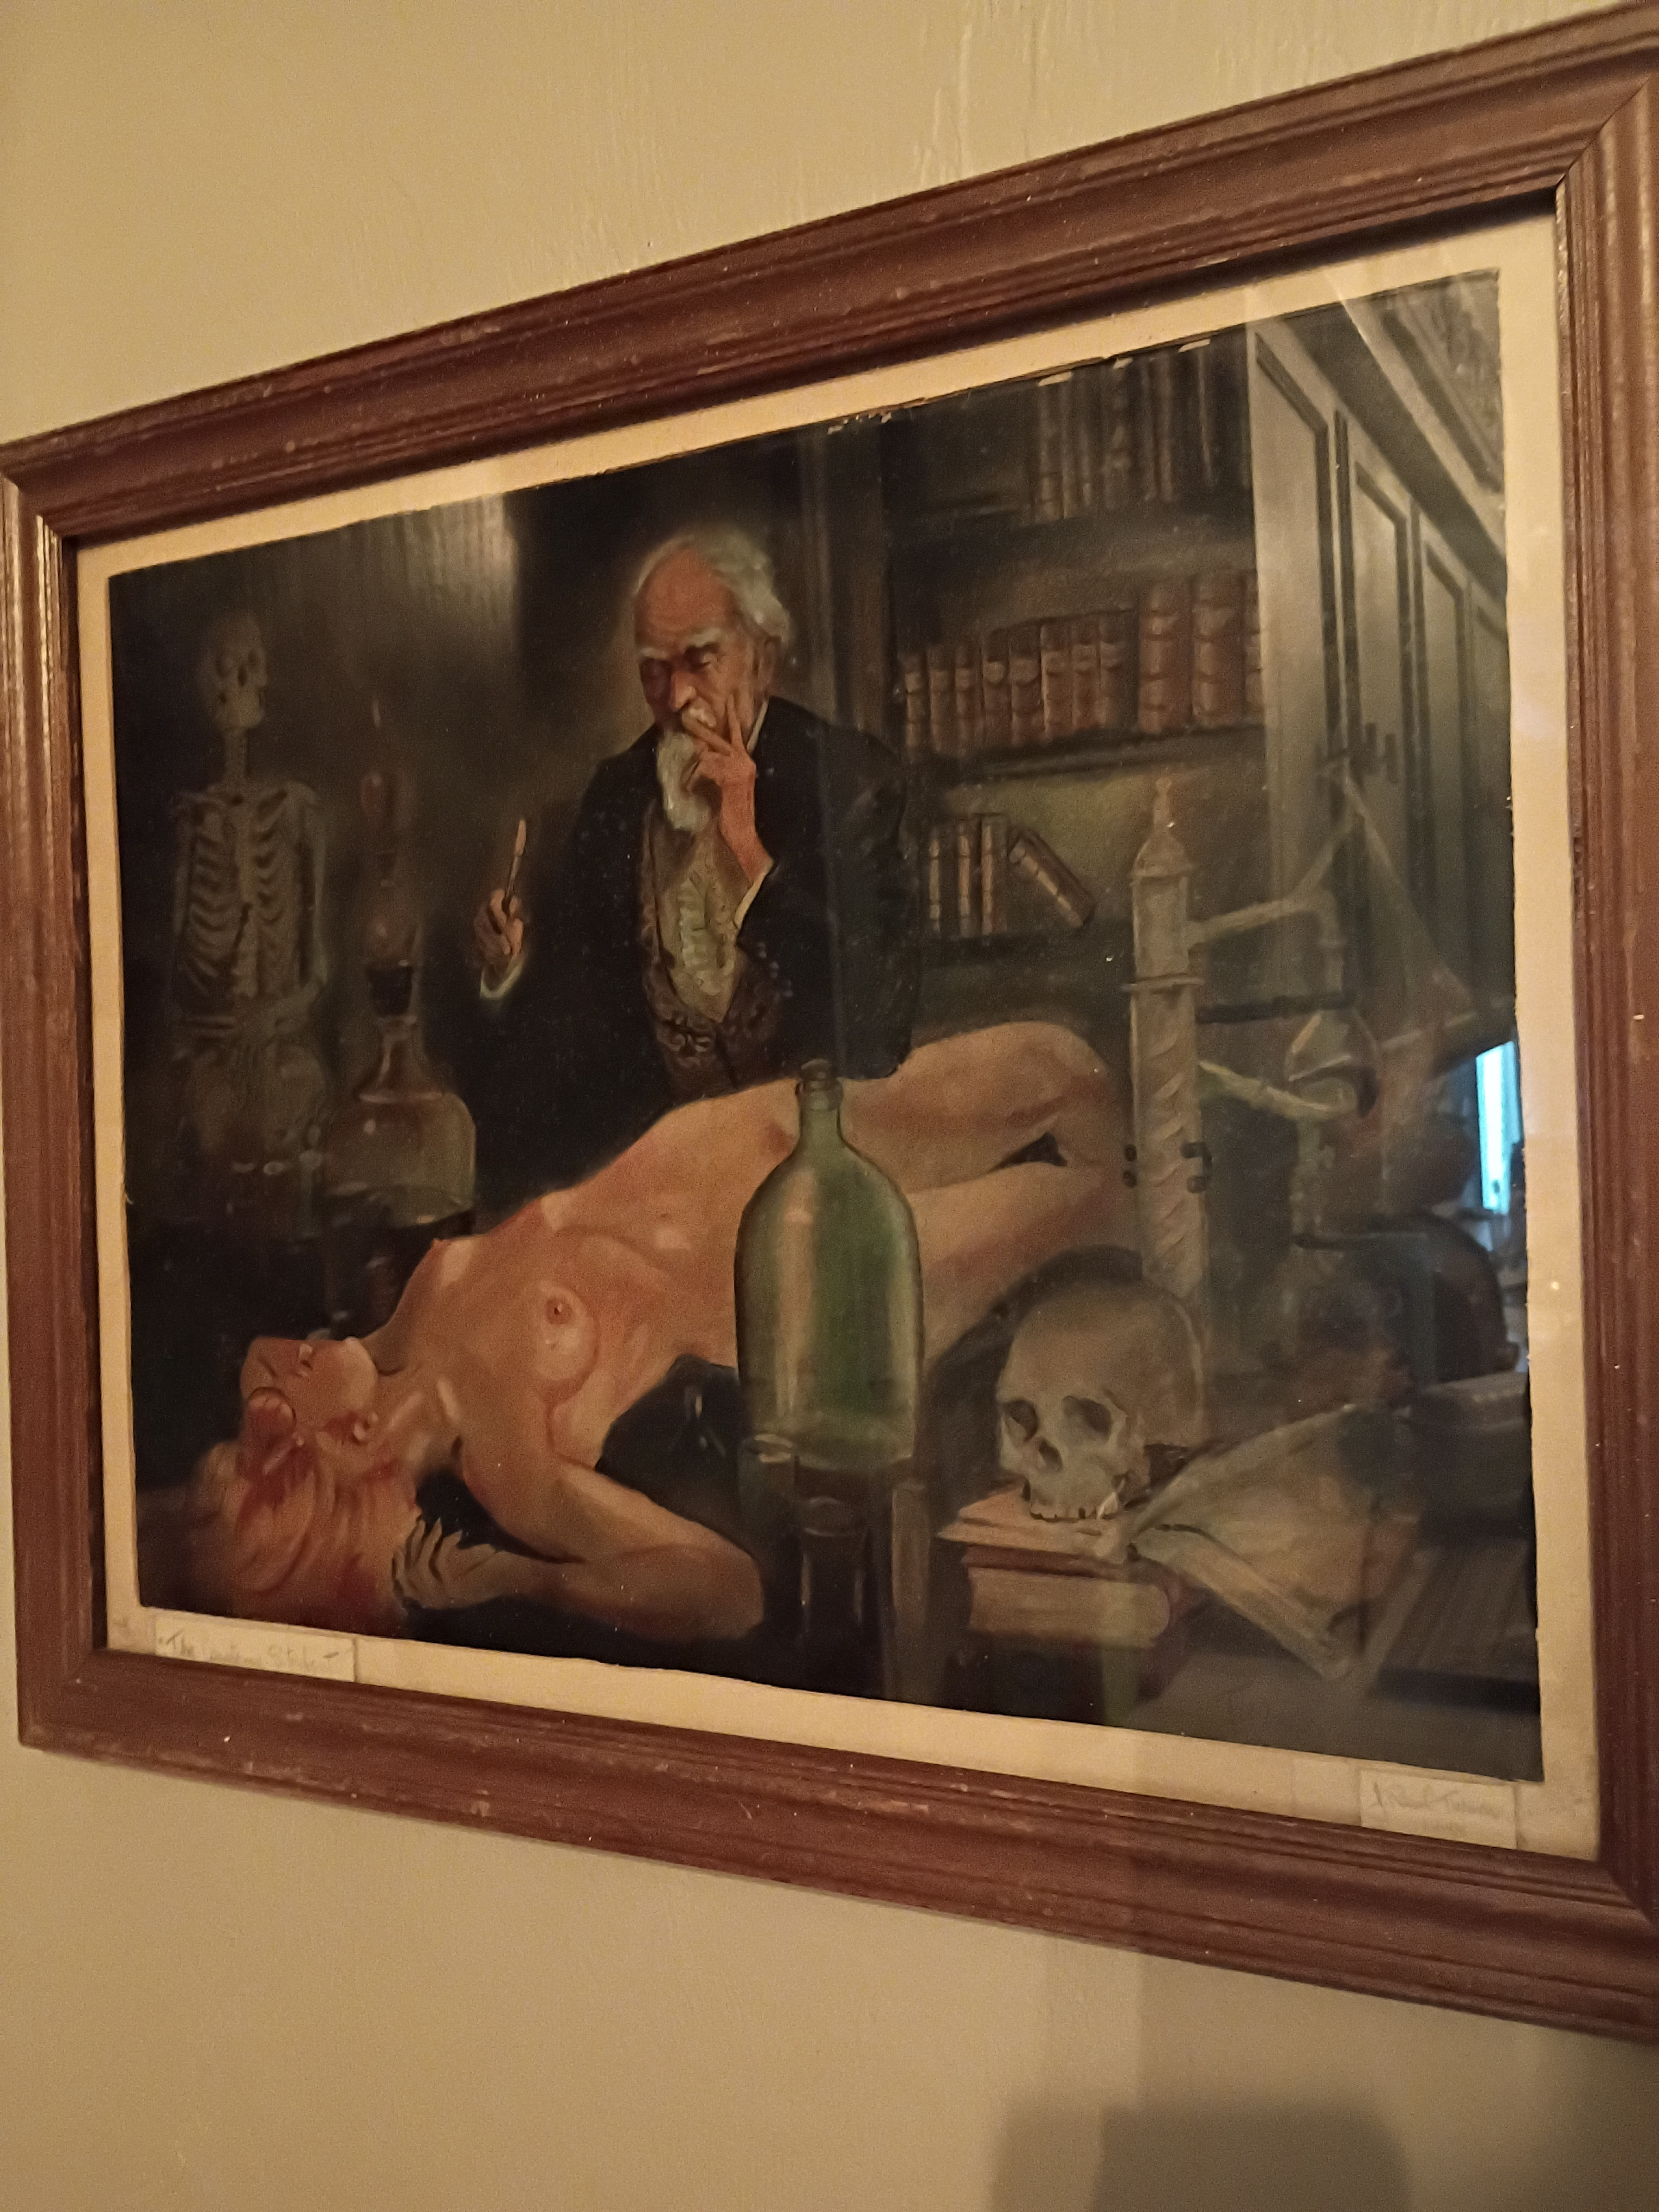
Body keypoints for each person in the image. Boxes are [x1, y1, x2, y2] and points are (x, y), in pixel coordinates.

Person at [178, 1021, 1129, 1648]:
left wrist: (268, 1449)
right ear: (348, 1443)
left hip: (751, 1136)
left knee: (1069, 1069)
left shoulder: (412, 1315)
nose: (281, 1362)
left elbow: (266, 1364)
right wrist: (528, 1581)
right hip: (814, 1267)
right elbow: (728, 1591)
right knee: (1096, 1200)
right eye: (280, 1412)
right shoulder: (508, 1463)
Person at [471, 527, 918, 1197]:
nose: (676, 697)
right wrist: (511, 970)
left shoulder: (852, 784)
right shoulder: (615, 798)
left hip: (813, 1170)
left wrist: (749, 853)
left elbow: (876, 1032)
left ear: (762, 661)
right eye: (654, 668)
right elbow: (575, 1035)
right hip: (664, 1183)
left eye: (700, 659)